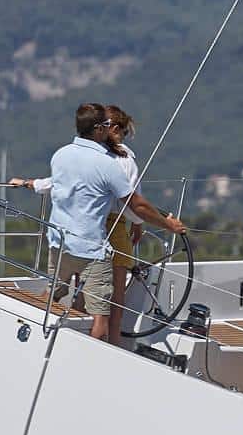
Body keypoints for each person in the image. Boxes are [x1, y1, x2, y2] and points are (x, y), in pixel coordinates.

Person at [12, 102, 185, 344]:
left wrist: (30, 183)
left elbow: (57, 183)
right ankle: (99, 358)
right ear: (101, 128)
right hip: (91, 248)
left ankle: (37, 340)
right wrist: (170, 226)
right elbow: (136, 206)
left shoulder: (60, 155)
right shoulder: (109, 163)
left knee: (53, 295)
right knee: (105, 313)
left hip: (59, 243)